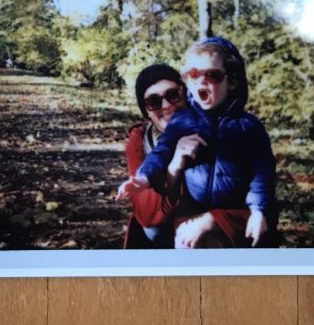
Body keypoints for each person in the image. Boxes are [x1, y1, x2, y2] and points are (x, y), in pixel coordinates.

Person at [133, 36, 278, 248]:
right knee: (183, 241)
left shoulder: (248, 126)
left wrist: (258, 210)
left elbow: (263, 172)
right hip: (190, 216)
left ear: (232, 82)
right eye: (193, 74)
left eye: (212, 75)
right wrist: (146, 176)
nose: (201, 80)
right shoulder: (183, 122)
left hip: (235, 212)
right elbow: (161, 153)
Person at [117, 64, 190, 248]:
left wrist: (209, 221)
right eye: (154, 101)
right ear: (146, 111)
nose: (166, 106)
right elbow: (146, 215)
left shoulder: (215, 128)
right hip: (160, 241)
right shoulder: (140, 139)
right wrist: (173, 170)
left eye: (173, 94)